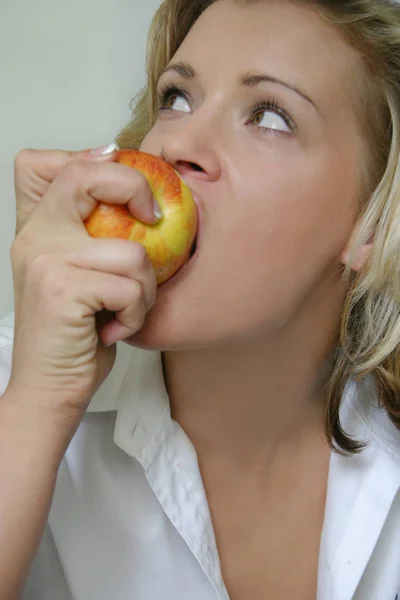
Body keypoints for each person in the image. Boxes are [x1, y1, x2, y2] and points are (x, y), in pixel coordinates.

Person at [0, 0, 400, 598]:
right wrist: (38, 403)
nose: (178, 141)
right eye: (177, 98)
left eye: (270, 115)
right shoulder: (18, 387)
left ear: (370, 225)